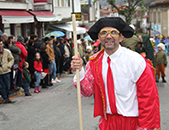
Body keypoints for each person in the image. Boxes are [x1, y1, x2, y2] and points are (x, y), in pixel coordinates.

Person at [71, 17, 160, 130]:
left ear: (121, 37)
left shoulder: (136, 61)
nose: (109, 36)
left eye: (114, 32)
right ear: (99, 37)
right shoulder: (94, 62)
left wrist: (146, 127)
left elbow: (149, 98)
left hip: (133, 123)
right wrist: (80, 70)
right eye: (104, 33)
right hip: (107, 123)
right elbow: (87, 91)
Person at [0, 39, 14, 104]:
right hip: (0, 72)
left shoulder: (7, 51)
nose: (0, 46)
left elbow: (11, 59)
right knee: (1, 86)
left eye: (1, 44)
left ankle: (7, 97)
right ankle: (5, 98)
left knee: (7, 85)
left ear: (3, 44)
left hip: (6, 71)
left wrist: (8, 66)